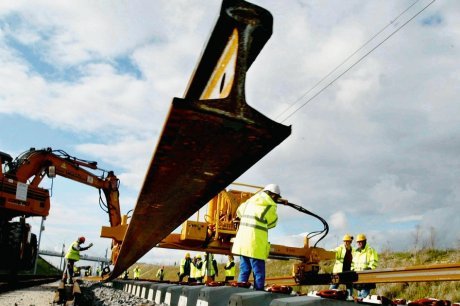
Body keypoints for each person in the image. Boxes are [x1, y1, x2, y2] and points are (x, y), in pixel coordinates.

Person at [231, 184, 281, 290]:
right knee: (259, 273)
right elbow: (272, 223)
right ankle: (258, 294)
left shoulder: (250, 200)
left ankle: (240, 293)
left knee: (244, 270)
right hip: (255, 244)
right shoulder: (269, 205)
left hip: (243, 243)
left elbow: (239, 212)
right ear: (272, 195)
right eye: (276, 198)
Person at [352, 234, 378, 298]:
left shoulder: (370, 250)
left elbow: (374, 261)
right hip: (358, 277)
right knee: (359, 296)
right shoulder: (356, 252)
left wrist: (369, 269)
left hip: (366, 276)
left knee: (363, 296)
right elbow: (352, 263)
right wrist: (352, 269)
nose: (359, 243)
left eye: (360, 241)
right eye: (358, 242)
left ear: (365, 241)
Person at [330, 234, 354, 298]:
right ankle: (329, 296)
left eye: (347, 241)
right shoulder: (340, 248)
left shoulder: (353, 250)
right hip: (338, 271)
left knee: (349, 285)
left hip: (348, 271)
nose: (346, 243)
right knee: (334, 285)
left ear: (350, 242)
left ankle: (349, 298)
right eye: (345, 241)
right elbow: (332, 252)